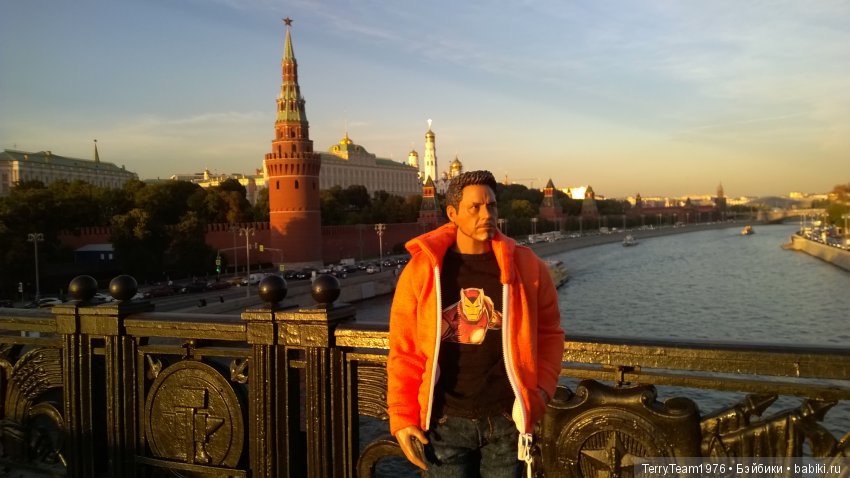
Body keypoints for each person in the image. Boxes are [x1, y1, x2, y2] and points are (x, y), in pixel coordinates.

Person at [387, 170, 564, 477]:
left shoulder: (528, 267)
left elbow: (549, 334)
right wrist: (402, 415)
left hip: (506, 420)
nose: (487, 215)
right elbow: (405, 348)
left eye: (491, 206)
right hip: (442, 422)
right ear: (452, 213)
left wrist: (541, 393)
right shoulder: (424, 270)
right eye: (475, 207)